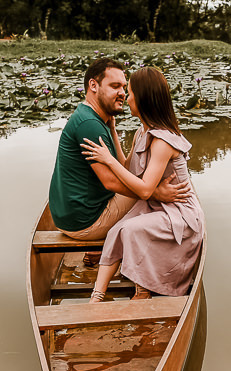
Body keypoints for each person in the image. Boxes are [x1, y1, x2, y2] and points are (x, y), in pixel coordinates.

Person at [80, 66, 205, 302]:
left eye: (130, 93)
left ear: (143, 99)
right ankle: (96, 296)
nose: (126, 98)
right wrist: (113, 132)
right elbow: (128, 169)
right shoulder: (142, 132)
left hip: (179, 214)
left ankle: (143, 291)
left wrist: (107, 160)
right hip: (157, 205)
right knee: (116, 230)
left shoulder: (163, 142)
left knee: (130, 230)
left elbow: (145, 189)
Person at [48, 58, 190, 242]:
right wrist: (157, 194)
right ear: (93, 85)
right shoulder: (90, 124)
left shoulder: (89, 116)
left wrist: (113, 131)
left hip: (71, 216)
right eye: (115, 86)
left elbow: (124, 168)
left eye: (124, 88)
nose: (122, 93)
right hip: (87, 221)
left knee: (141, 183)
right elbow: (111, 182)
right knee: (146, 193)